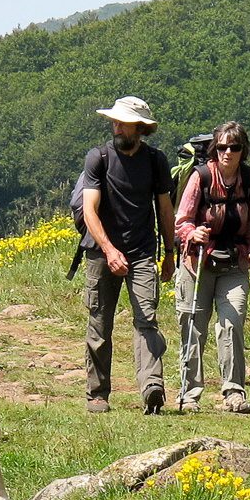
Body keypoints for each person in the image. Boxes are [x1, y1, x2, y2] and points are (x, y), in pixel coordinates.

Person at [78, 96, 177, 414]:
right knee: (99, 323)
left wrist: (170, 253)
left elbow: (165, 209)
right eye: (115, 121)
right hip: (100, 253)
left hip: (143, 252)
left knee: (146, 320)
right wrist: (108, 250)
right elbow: (90, 210)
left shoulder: (155, 161)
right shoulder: (99, 158)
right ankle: (97, 394)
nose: (116, 125)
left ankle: (152, 388)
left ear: (140, 128)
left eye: (122, 122)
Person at [173, 121, 250, 414]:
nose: (228, 152)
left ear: (243, 150)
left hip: (234, 263)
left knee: (232, 322)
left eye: (234, 147)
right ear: (216, 149)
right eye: (223, 147)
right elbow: (182, 220)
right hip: (197, 262)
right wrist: (192, 233)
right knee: (193, 326)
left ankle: (234, 393)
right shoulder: (200, 177)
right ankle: (189, 395)